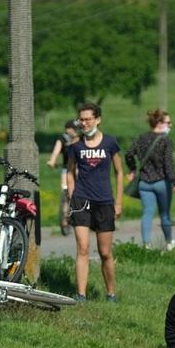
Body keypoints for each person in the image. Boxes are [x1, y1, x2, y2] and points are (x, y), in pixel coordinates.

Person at [68, 102, 125, 301]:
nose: (84, 123)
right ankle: (81, 295)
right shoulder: (76, 146)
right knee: (83, 248)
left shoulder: (109, 143)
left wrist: (118, 202)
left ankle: (111, 293)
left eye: (88, 119)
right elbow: (69, 172)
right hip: (82, 200)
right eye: (81, 120)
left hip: (104, 201)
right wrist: (71, 198)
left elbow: (119, 173)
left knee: (105, 252)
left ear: (98, 120)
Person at [124, 109, 175, 250]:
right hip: (162, 182)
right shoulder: (165, 140)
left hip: (144, 183)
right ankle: (169, 242)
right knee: (165, 213)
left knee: (147, 213)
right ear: (159, 123)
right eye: (168, 122)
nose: (170, 125)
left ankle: (146, 244)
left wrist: (132, 169)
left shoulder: (141, 138)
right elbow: (168, 163)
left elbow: (129, 153)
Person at [46, 118, 81, 235]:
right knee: (65, 192)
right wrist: (52, 160)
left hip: (80, 168)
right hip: (67, 169)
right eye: (73, 129)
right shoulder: (63, 139)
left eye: (77, 129)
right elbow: (56, 151)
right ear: (67, 129)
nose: (75, 131)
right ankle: (65, 218)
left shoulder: (82, 138)